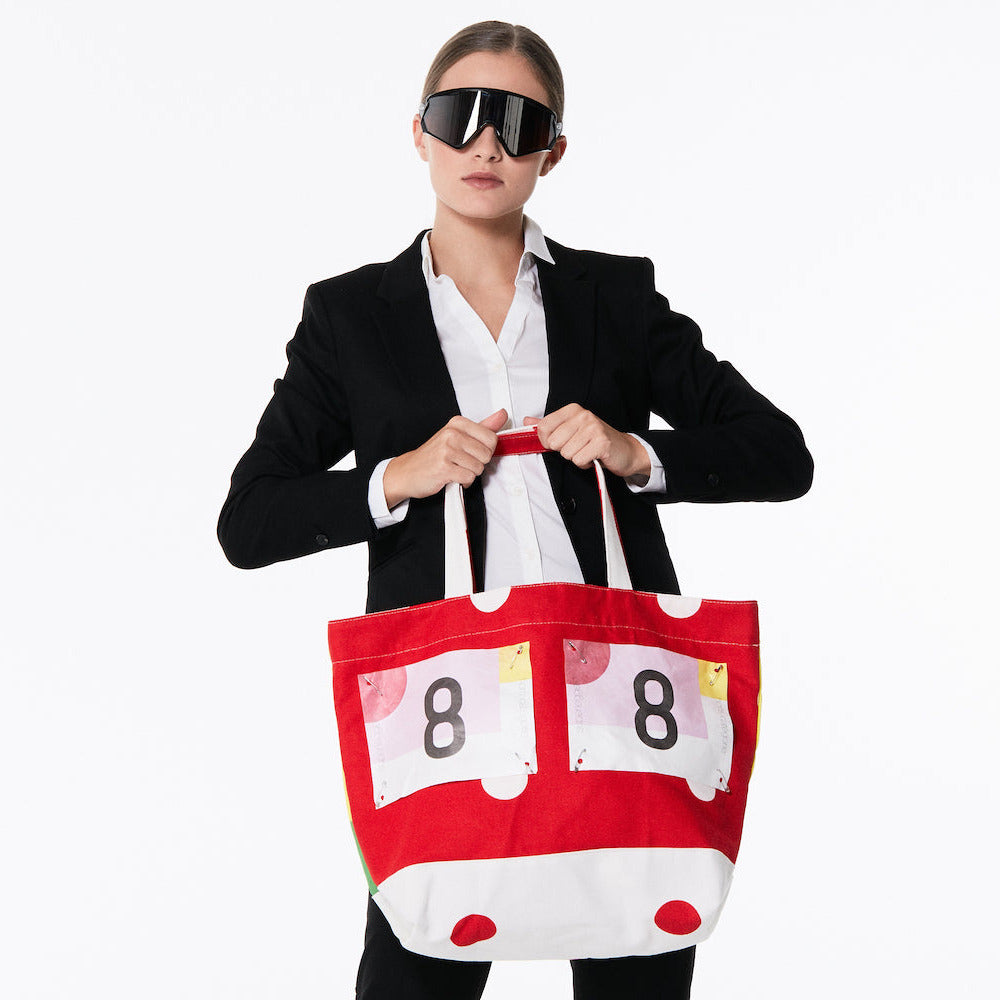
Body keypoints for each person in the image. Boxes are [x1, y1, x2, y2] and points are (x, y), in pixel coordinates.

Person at [218, 19, 812, 1000]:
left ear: (552, 150)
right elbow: (251, 521)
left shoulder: (613, 298)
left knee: (635, 957)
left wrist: (637, 453)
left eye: (518, 122)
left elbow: (779, 454)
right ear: (419, 134)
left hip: (617, 693)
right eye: (460, 116)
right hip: (446, 705)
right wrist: (395, 477)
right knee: (416, 971)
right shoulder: (350, 316)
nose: (486, 143)